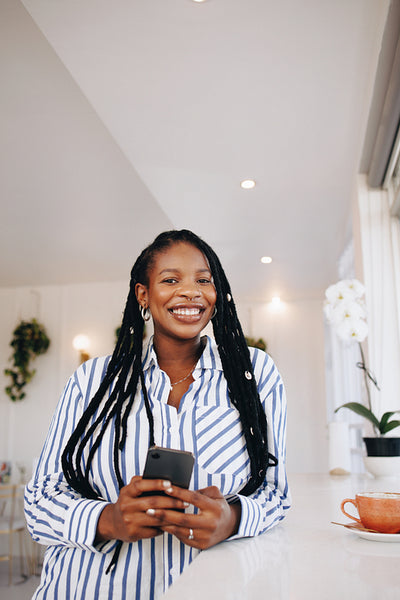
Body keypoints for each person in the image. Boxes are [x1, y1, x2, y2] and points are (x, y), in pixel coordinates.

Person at [25, 229, 290, 599]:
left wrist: (232, 519)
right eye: (171, 280)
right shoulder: (92, 381)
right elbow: (39, 502)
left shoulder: (255, 375)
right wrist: (108, 520)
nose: (191, 291)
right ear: (143, 295)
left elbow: (274, 494)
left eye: (204, 280)